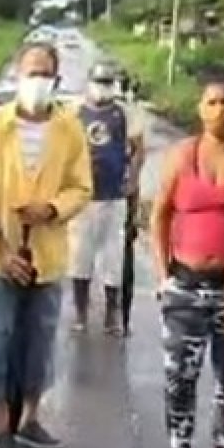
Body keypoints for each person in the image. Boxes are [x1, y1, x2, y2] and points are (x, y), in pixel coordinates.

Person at [0, 42, 91, 448]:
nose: (37, 81)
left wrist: (53, 208)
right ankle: (1, 425)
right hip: (0, 257)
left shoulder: (69, 128)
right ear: (18, 75)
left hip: (48, 256)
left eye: (45, 73)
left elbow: (81, 187)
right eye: (31, 72)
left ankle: (31, 420)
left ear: (55, 79)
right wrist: (0, 250)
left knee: (40, 338)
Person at [148, 63, 224, 448]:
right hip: (186, 284)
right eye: (212, 102)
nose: (220, 109)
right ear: (200, 109)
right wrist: (161, 272)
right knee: (179, 376)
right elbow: (159, 215)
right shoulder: (182, 155)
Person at [68, 60, 146, 336]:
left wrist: (133, 180)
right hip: (82, 198)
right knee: (79, 257)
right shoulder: (74, 112)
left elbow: (138, 148)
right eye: (98, 82)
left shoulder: (124, 113)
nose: (102, 88)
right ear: (88, 83)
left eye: (106, 83)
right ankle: (80, 312)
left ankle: (112, 314)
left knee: (113, 258)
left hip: (114, 197)